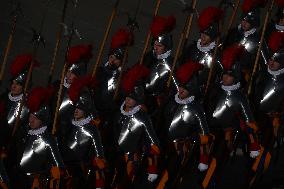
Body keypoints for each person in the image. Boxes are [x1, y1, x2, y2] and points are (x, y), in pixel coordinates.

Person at [205, 44, 260, 187]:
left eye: (229, 75)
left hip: (228, 134)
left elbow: (248, 119)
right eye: (224, 73)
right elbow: (208, 108)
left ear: (235, 77)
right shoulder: (216, 90)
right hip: (211, 130)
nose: (225, 77)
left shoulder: (240, 97)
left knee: (218, 161)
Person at [157, 60, 210, 188]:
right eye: (180, 86)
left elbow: (203, 132)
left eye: (184, 88)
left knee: (173, 175)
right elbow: (160, 119)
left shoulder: (196, 108)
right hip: (165, 143)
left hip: (181, 148)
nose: (180, 90)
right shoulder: (171, 101)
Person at [112, 64, 160, 188]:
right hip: (117, 153)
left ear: (137, 100)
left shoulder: (142, 117)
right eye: (127, 97)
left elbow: (151, 138)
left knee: (127, 181)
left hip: (133, 154)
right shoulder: (119, 114)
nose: (128, 100)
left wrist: (152, 165)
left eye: (131, 98)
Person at [61, 76, 106, 189]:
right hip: (66, 163)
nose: (76, 111)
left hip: (81, 167)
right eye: (75, 108)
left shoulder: (91, 129)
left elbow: (98, 151)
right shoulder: (69, 124)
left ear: (85, 111)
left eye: (79, 109)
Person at [15, 86, 64, 189]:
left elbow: (58, 165)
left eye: (36, 118)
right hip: (19, 178)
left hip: (36, 182)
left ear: (43, 119)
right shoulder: (24, 134)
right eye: (30, 116)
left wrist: (53, 174)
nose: (31, 120)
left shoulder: (48, 139)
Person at [181, 6, 223, 96]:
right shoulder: (192, 48)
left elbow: (219, 77)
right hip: (185, 89)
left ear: (212, 36)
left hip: (203, 93)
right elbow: (181, 64)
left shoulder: (216, 55)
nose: (203, 36)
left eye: (207, 35)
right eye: (202, 33)